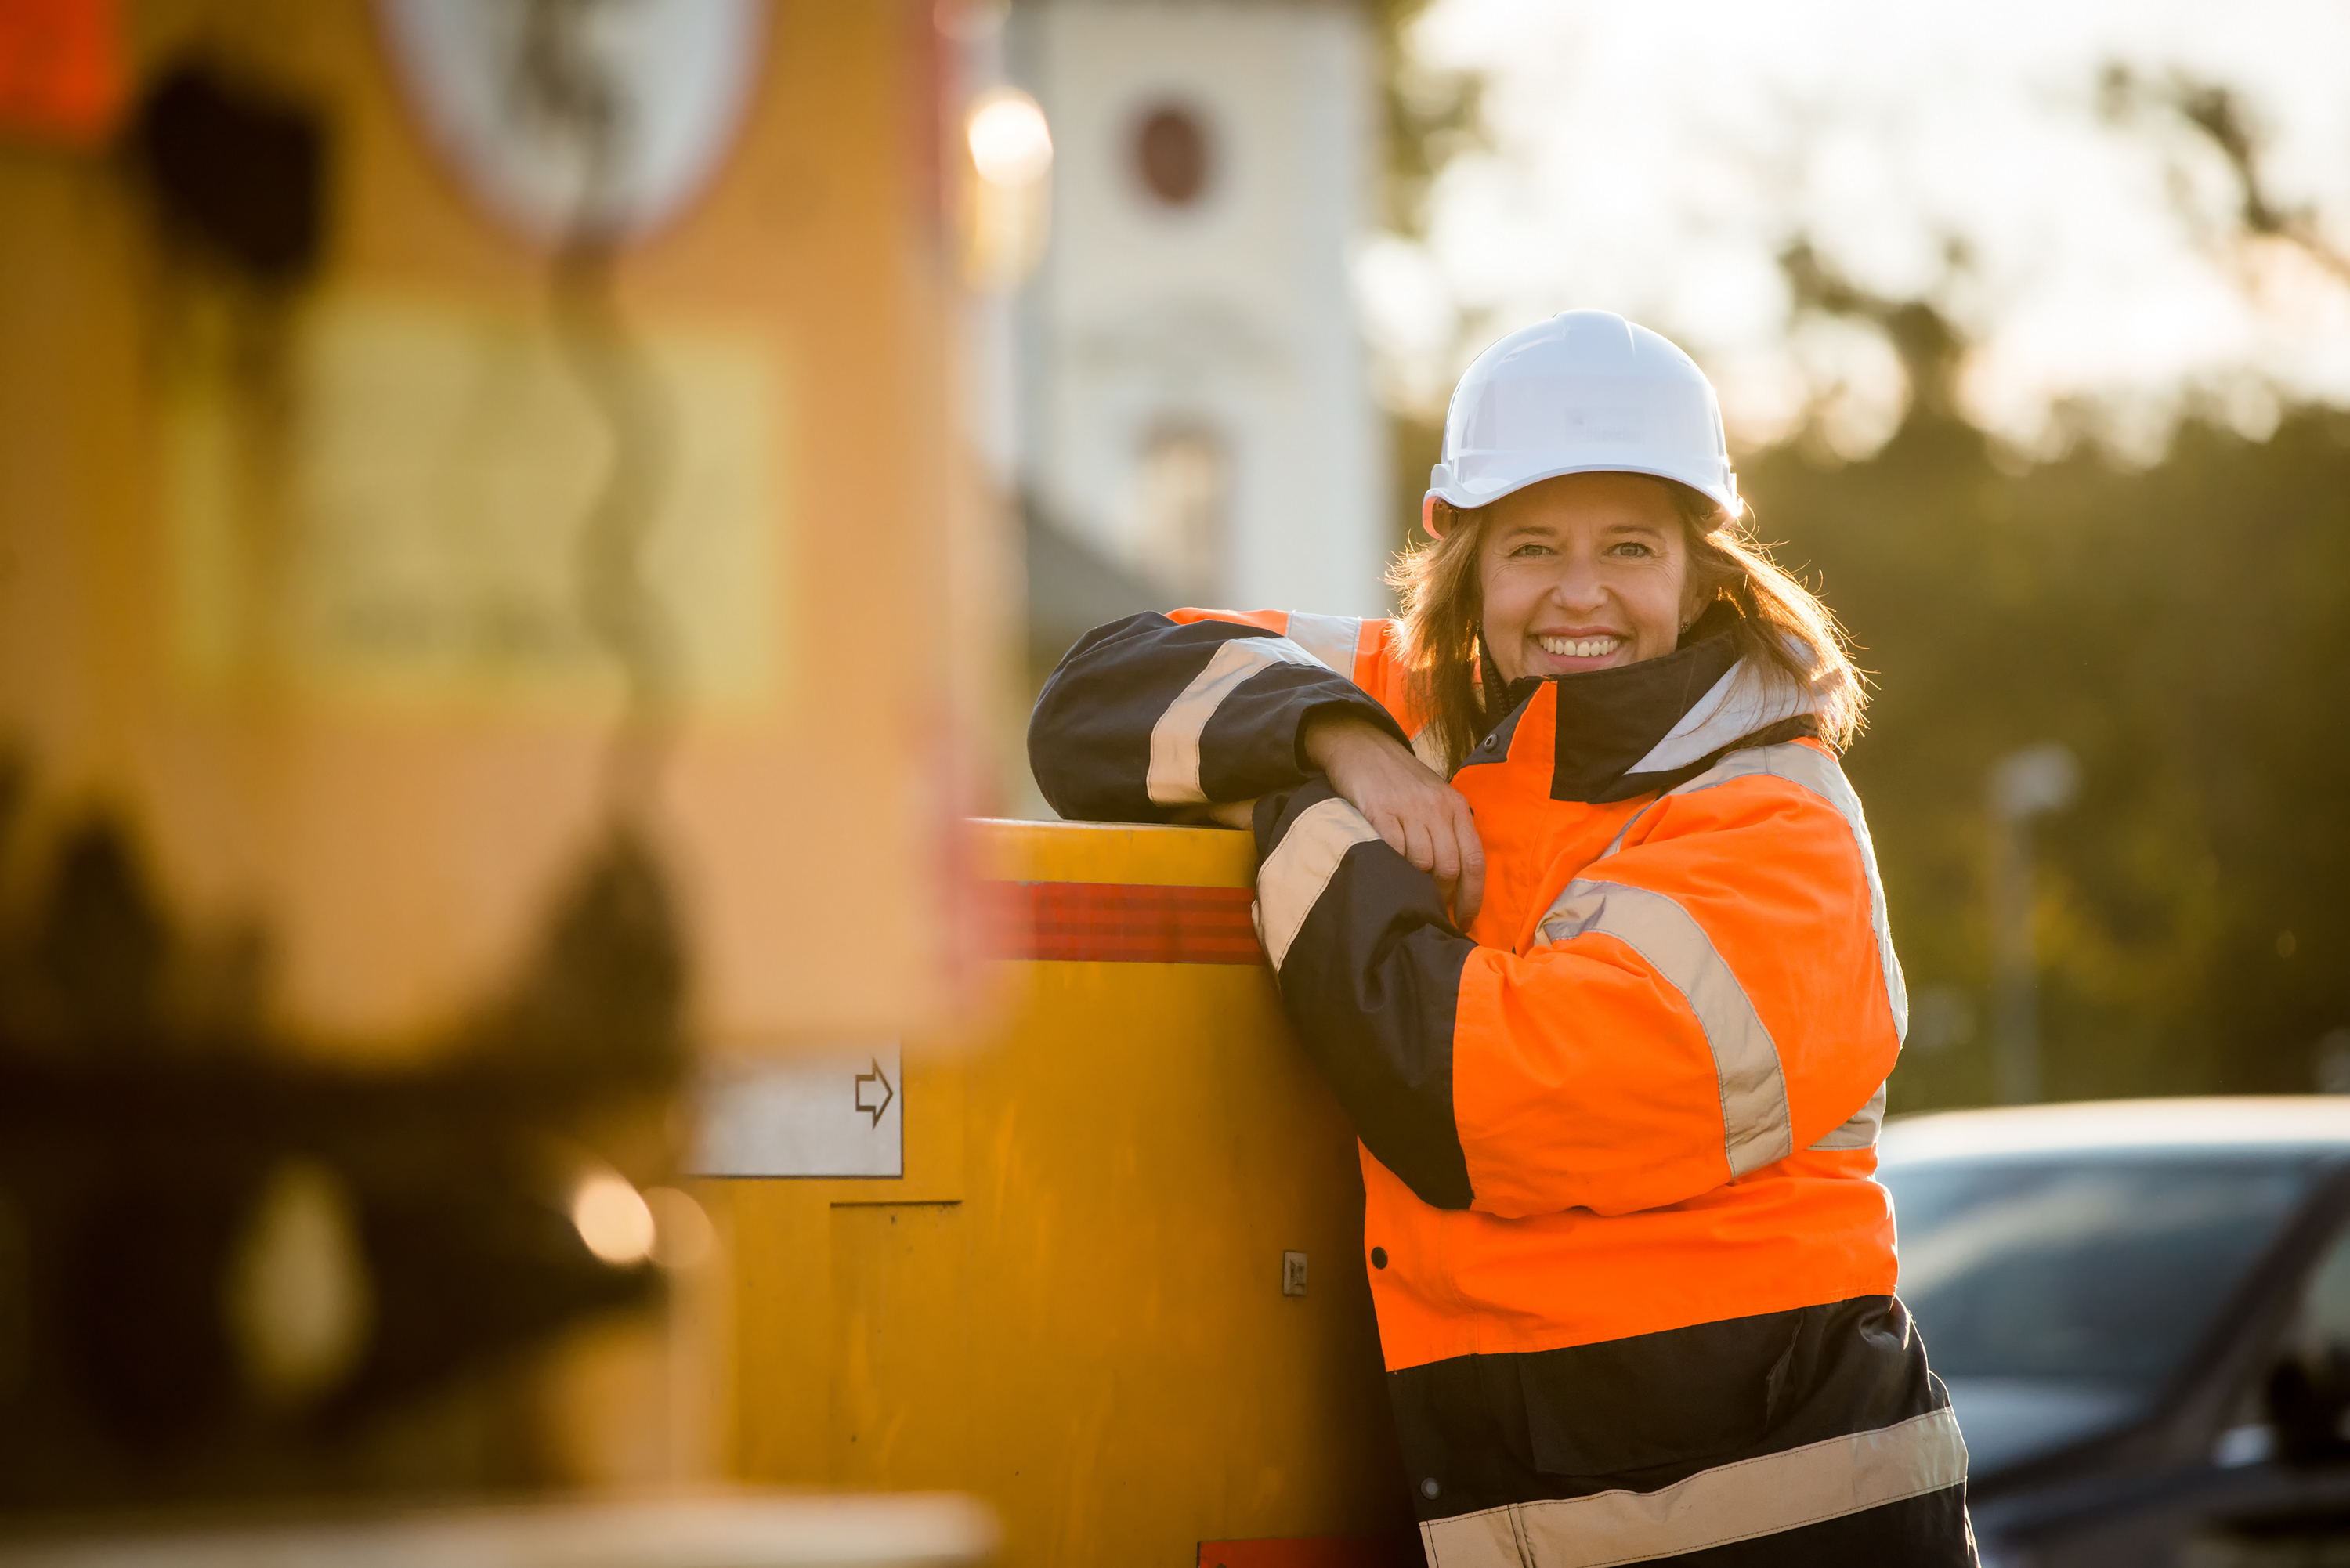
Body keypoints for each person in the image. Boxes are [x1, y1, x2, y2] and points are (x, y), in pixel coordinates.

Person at [1029, 310, 1972, 1565]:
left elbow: (1464, 1099)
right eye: (1532, 546)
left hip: (1783, 1529)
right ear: (1465, 563)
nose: (1579, 595)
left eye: (1628, 547)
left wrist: (1292, 809)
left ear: (1704, 571)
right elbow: (1093, 698)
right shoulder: (1431, 707)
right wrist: (1340, 742)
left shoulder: (1780, 833)